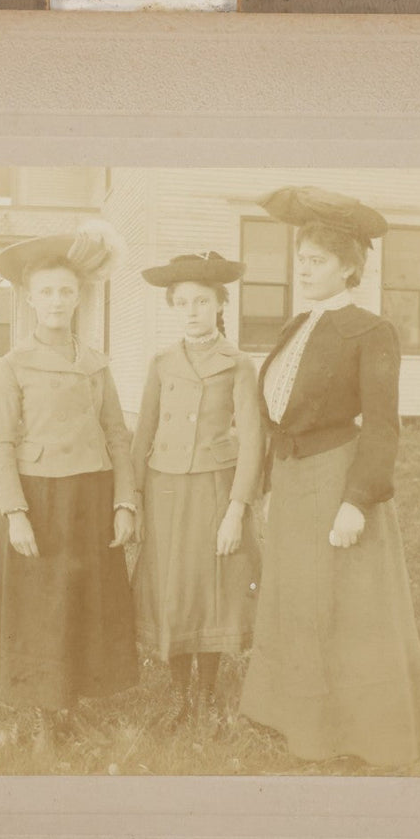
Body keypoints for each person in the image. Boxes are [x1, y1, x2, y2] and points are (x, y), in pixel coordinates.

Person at [238, 193, 420, 768]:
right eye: (301, 257)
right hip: (294, 478)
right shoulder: (299, 323)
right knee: (297, 602)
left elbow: (382, 427)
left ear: (350, 267)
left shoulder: (371, 330)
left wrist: (356, 501)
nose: (304, 268)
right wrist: (272, 486)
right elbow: (280, 410)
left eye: (318, 260)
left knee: (344, 608)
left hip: (337, 480)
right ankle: (300, 721)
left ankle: (361, 731)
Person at [0, 221, 138, 752]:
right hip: (41, 498)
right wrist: (15, 512)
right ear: (29, 298)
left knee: (85, 602)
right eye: (46, 291)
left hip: (91, 497)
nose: (56, 301)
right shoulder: (12, 365)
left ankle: (74, 708)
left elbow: (117, 435)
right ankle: (47, 718)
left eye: (65, 291)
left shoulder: (96, 363)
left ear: (79, 298)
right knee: (43, 607)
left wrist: (124, 501)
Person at [130, 251, 264, 731]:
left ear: (219, 304)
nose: (192, 311)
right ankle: (180, 697)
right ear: (173, 306)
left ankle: (206, 697)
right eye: (182, 302)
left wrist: (236, 509)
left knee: (210, 590)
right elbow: (142, 434)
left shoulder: (239, 363)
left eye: (201, 301)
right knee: (174, 589)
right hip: (164, 488)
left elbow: (253, 438)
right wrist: (133, 499)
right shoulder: (162, 362)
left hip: (214, 487)